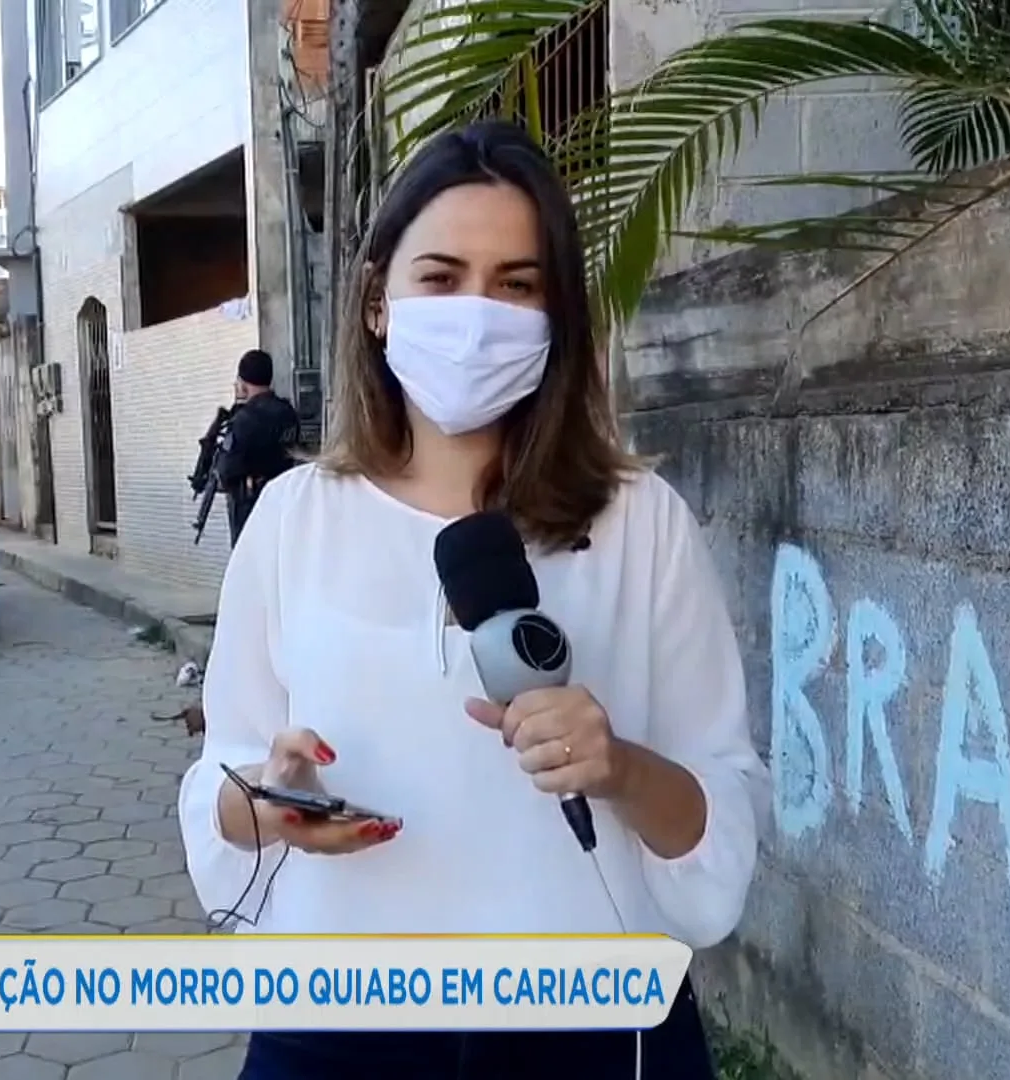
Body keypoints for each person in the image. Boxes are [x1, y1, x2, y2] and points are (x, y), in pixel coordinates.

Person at [177, 121, 769, 1080]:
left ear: (555, 316)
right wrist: (263, 805)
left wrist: (615, 765)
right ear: (378, 302)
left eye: (516, 285)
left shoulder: (640, 522)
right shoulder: (291, 520)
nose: (477, 315)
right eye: (442, 278)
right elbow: (224, 787)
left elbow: (721, 819)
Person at [214, 349, 300, 544]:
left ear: (243, 385)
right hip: (284, 505)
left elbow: (226, 471)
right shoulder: (288, 413)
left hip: (251, 509)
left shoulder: (244, 419)